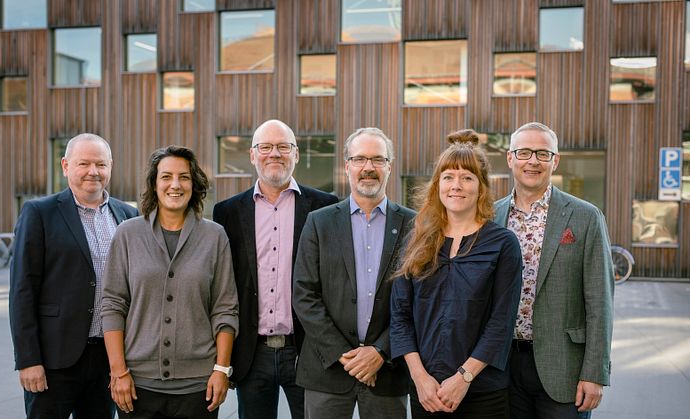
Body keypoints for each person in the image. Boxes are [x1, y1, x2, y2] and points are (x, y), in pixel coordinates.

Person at [390, 130, 523, 418]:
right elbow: (399, 316)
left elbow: (501, 322)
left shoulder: (503, 243)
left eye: (467, 177)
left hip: (483, 390)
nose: (456, 186)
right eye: (448, 177)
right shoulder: (417, 240)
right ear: (438, 185)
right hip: (427, 391)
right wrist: (420, 378)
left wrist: (463, 378)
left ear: (481, 187)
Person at [101, 146, 239, 418]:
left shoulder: (215, 237)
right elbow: (113, 306)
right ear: (154, 184)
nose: (175, 185)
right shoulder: (127, 235)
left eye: (184, 177)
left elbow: (225, 308)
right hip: (137, 386)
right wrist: (119, 373)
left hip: (198, 388)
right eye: (166, 177)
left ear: (194, 184)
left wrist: (221, 370)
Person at [213, 120, 338, 419]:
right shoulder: (227, 212)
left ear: (296, 154)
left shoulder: (325, 206)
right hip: (251, 353)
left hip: (306, 349)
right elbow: (223, 286)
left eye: (283, 147)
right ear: (252, 154)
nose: (275, 154)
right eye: (266, 147)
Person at [9, 133, 138, 418]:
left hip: (109, 359)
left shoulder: (128, 215)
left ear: (111, 167)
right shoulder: (39, 213)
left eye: (101, 165)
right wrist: (28, 360)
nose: (93, 172)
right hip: (55, 360)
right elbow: (22, 291)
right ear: (66, 166)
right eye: (84, 164)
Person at [293, 127, 415, 418]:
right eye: (360, 159)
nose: (368, 168)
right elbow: (304, 294)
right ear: (346, 166)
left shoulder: (414, 225)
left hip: (387, 372)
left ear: (389, 166)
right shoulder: (319, 222)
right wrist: (345, 357)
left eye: (377, 159)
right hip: (328, 369)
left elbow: (418, 299)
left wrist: (380, 352)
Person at [494, 122, 614, 419]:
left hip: (565, 369)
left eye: (542, 153)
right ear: (510, 158)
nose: (533, 160)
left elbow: (600, 302)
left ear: (555, 160)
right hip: (502, 367)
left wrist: (595, 373)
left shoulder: (585, 216)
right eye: (524, 152)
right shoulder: (491, 215)